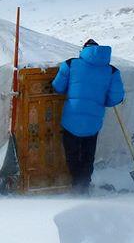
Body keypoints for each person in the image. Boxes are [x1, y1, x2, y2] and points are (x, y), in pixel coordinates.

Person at [52, 39, 126, 194]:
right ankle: (84, 185)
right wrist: (101, 101)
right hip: (94, 119)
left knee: (72, 153)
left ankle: (76, 184)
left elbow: (58, 87)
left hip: (71, 117)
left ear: (83, 50)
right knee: (88, 154)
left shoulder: (71, 64)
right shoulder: (112, 71)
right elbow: (116, 97)